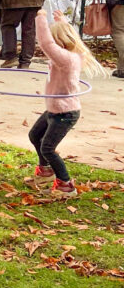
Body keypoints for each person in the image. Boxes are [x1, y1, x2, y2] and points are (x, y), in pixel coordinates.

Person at [28, 12, 105, 197]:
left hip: (65, 112)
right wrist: (61, 22)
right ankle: (45, 171)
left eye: (55, 40)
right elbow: (63, 38)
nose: (51, 47)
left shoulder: (67, 59)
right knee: (34, 135)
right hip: (54, 109)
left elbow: (46, 44)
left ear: (59, 41)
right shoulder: (69, 55)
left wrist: (39, 18)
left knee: (47, 147)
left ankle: (66, 184)